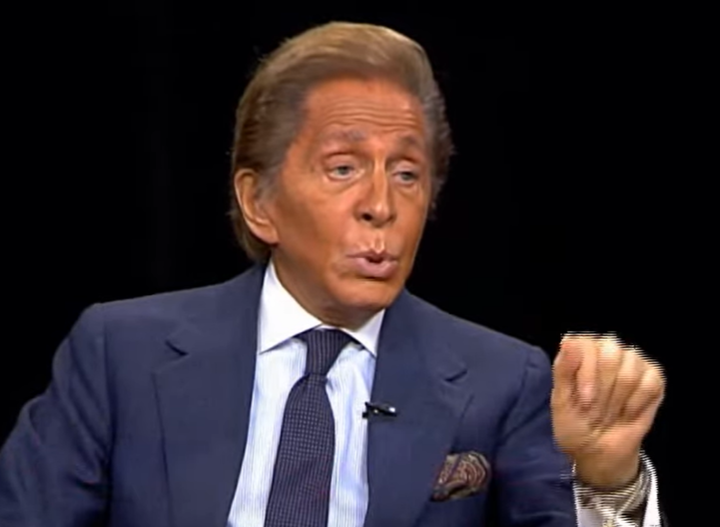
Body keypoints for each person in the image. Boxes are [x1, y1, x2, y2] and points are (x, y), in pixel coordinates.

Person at [0, 22, 666, 527]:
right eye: (343, 167)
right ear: (259, 202)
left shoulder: (502, 381)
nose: (381, 204)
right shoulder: (120, 354)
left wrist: (608, 483)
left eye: (407, 173)